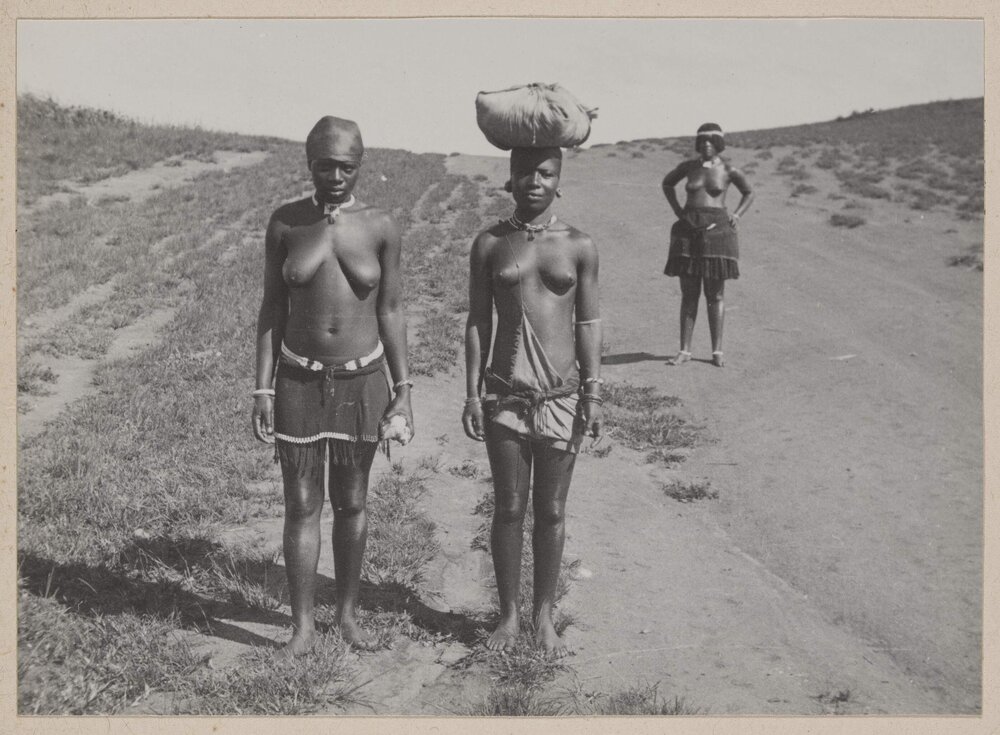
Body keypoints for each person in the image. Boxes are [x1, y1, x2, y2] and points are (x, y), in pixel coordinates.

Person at [252, 116, 414, 657]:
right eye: (326, 165)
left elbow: (390, 309)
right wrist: (263, 388)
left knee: (352, 501)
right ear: (309, 164)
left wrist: (403, 386)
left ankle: (346, 614)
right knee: (301, 505)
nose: (336, 175)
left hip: (362, 381)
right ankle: (301, 627)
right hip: (298, 379)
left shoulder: (381, 226)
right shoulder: (286, 224)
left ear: (360, 166)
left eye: (346, 166)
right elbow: (273, 309)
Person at [462, 146, 602, 658]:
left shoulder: (579, 245)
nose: (535, 181)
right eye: (525, 172)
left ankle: (544, 616)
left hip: (563, 397)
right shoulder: (491, 244)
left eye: (546, 173)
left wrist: (594, 391)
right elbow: (479, 322)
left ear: (559, 180)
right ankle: (508, 615)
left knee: (552, 509)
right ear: (511, 179)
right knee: (509, 507)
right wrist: (472, 393)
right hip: (505, 393)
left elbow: (587, 323)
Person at [661, 122, 754, 367]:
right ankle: (684, 351)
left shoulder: (728, 169)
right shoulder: (689, 167)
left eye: (712, 141)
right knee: (689, 295)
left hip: (718, 232)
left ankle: (717, 353)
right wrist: (678, 210)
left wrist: (737, 215)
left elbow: (749, 192)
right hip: (688, 229)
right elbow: (667, 183)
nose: (707, 146)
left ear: (719, 144)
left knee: (715, 294)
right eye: (702, 142)